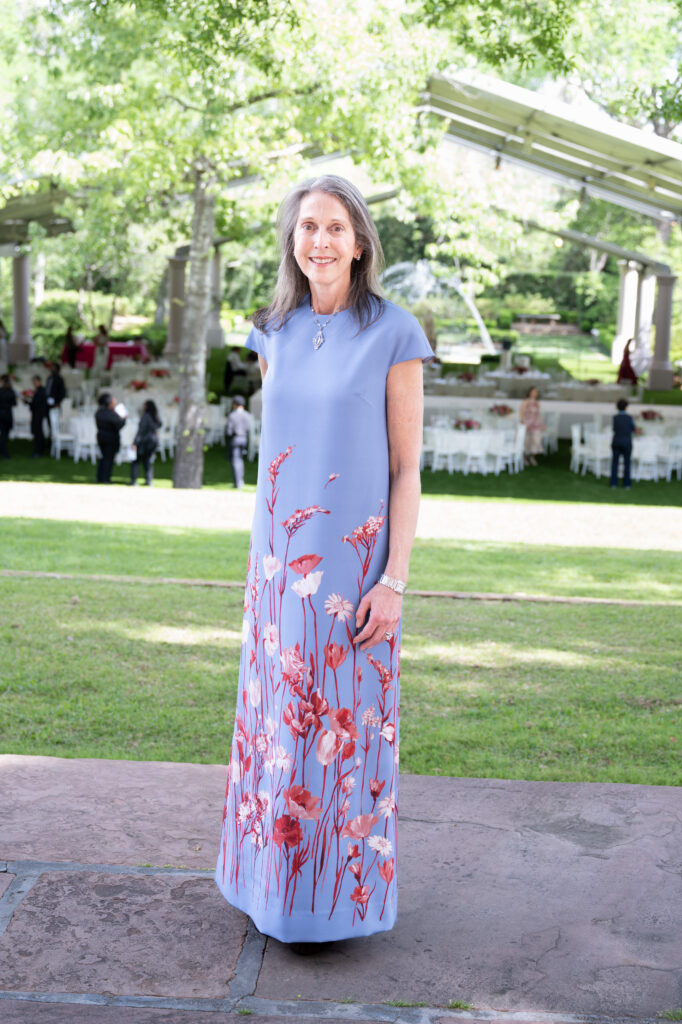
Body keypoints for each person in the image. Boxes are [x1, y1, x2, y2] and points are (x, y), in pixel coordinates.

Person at [214, 175, 432, 947]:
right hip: (278, 574)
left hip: (352, 579)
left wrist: (394, 580)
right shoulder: (271, 331)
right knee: (277, 729)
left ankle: (336, 905)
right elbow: (283, 453)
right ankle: (266, 889)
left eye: (335, 227)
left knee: (342, 735)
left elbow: (406, 469)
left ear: (360, 242)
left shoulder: (394, 334)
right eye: (307, 226)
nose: (320, 241)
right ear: (292, 241)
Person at [95, 392, 126, 483]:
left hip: (101, 437)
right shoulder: (109, 413)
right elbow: (118, 424)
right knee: (108, 459)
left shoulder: (99, 412)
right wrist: (124, 419)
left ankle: (100, 477)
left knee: (104, 457)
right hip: (110, 438)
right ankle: (106, 478)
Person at [130, 399, 161, 486]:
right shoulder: (155, 416)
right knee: (147, 461)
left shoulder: (145, 416)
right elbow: (160, 424)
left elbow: (141, 431)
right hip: (153, 440)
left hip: (144, 441)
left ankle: (134, 480)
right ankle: (149, 480)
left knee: (136, 461)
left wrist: (135, 443)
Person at [225, 395, 251, 488]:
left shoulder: (232, 415)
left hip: (235, 439)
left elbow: (229, 431)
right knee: (240, 460)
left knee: (235, 461)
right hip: (244, 439)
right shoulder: (247, 415)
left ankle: (237, 482)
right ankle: (241, 480)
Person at [610, 397, 636, 489]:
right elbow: (633, 429)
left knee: (615, 463)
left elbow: (614, 429)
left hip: (616, 442)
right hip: (627, 442)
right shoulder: (630, 418)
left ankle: (613, 483)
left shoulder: (615, 418)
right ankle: (627, 484)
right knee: (627, 463)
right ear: (626, 407)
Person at [519, 385, 545, 466]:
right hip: (527, 423)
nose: (534, 393)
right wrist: (523, 423)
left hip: (535, 424)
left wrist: (540, 423)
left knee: (536, 440)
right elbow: (521, 413)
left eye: (536, 392)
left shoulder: (537, 403)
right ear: (529, 392)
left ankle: (532, 456)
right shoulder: (525, 402)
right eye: (533, 392)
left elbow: (538, 414)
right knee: (526, 440)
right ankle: (524, 457)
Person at [29, 375, 49, 457]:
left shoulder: (41, 391)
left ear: (39, 381)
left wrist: (28, 402)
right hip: (37, 413)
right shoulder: (38, 390)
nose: (34, 383)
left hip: (38, 413)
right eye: (33, 382)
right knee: (38, 431)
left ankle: (39, 450)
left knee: (38, 432)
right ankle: (40, 448)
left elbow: (36, 403)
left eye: (35, 382)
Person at [0, 373, 17, 459]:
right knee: (4, 434)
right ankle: (4, 452)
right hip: (7, 415)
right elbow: (14, 403)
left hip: (1, 414)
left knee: (3, 434)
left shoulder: (1, 391)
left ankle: (3, 450)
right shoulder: (11, 391)